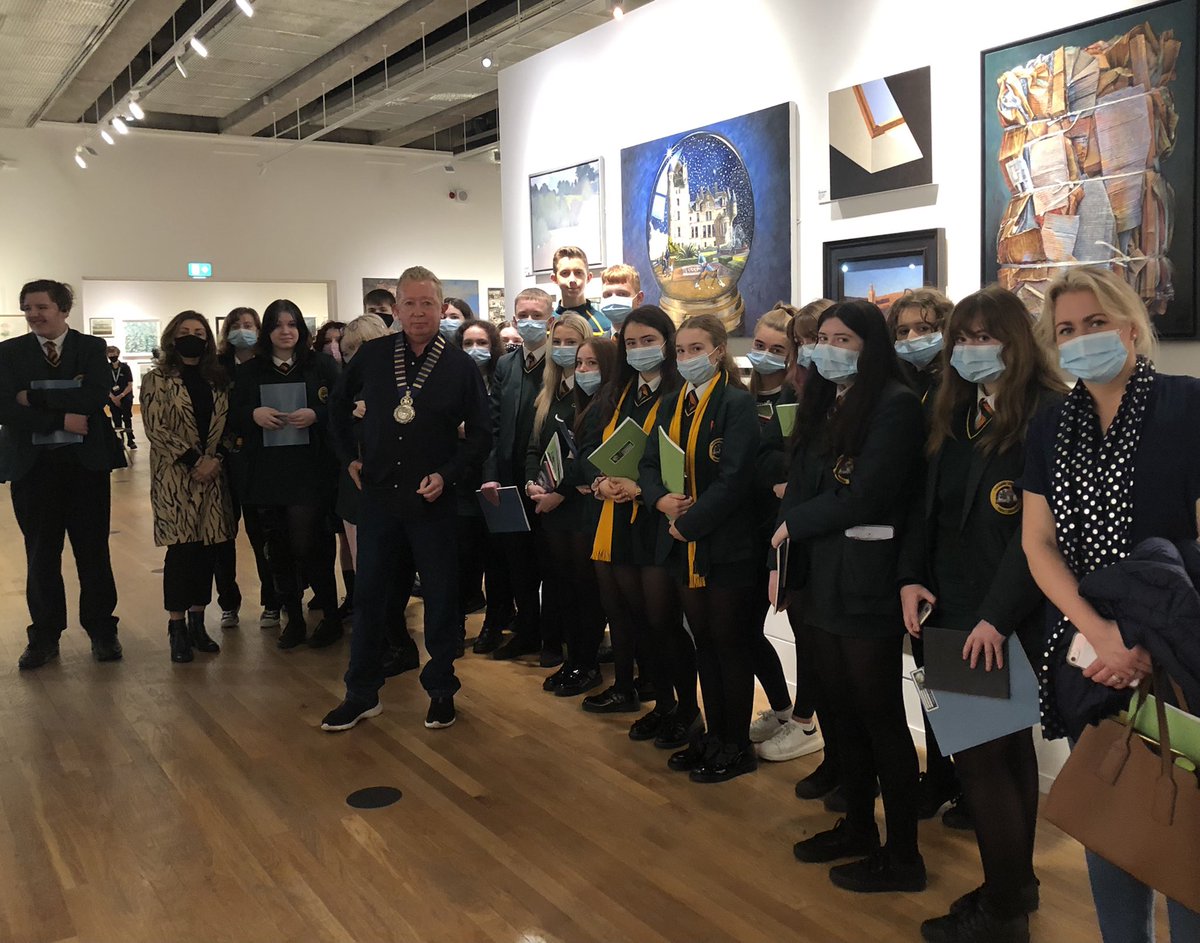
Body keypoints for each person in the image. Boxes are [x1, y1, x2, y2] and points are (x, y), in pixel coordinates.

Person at [1021, 267, 1200, 943]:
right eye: (1065, 330)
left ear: (1130, 325)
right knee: (1111, 816)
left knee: (1187, 834)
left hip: (1180, 647)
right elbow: (1038, 544)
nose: (1081, 338)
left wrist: (1148, 635)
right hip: (1087, 655)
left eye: (1095, 323)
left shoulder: (1186, 405)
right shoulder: (1048, 428)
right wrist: (1099, 634)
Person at [898, 286, 1066, 942]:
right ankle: (1013, 888)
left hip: (1000, 616)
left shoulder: (1046, 414)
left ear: (1017, 339)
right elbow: (927, 508)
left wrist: (993, 619)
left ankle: (1002, 912)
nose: (971, 350)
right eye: (961, 339)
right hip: (950, 604)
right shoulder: (955, 409)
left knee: (988, 761)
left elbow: (1040, 541)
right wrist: (911, 575)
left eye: (983, 335)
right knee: (996, 755)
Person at [776, 300, 927, 893]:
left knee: (880, 716)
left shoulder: (895, 405)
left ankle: (904, 854)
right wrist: (783, 549)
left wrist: (795, 525)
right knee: (840, 708)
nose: (829, 349)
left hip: (865, 584)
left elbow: (867, 497)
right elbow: (802, 488)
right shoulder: (823, 400)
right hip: (820, 577)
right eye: (822, 338)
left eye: (844, 339)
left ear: (870, 346)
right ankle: (859, 824)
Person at [322, 266, 491, 732]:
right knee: (370, 597)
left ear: (442, 309)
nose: (419, 313)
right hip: (378, 499)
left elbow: (480, 436)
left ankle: (440, 689)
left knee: (440, 599)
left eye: (428, 304)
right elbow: (336, 406)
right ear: (396, 310)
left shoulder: (460, 367)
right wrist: (347, 458)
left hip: (431, 501)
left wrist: (449, 475)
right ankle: (361, 692)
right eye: (410, 304)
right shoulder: (373, 356)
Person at [639, 313, 760, 783]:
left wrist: (691, 524)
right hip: (681, 541)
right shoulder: (671, 403)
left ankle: (737, 743)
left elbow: (735, 479)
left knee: (730, 644)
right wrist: (659, 499)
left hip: (724, 545)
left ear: (718, 351)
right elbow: (649, 464)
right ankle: (712, 735)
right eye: (682, 350)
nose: (688, 358)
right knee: (703, 643)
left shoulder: (737, 403)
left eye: (697, 349)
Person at [0, 279, 124, 668]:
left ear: (63, 309)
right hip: (32, 469)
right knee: (40, 555)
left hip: (85, 468)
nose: (34, 315)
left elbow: (94, 396)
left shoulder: (90, 348)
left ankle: (102, 630)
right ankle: (44, 636)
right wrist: (62, 416)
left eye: (42, 307)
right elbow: (5, 409)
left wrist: (33, 395)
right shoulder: (8, 353)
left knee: (93, 551)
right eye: (28, 308)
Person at [582, 306, 693, 735]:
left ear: (667, 343)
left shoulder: (681, 390)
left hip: (659, 520)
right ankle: (662, 704)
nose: (639, 350)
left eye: (649, 341)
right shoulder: (620, 391)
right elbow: (591, 448)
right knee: (638, 620)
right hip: (618, 516)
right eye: (631, 343)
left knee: (665, 621)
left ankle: (687, 708)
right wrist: (600, 482)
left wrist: (643, 489)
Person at [232, 299, 341, 649]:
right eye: (278, 325)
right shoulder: (250, 371)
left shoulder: (321, 365)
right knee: (277, 547)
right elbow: (232, 417)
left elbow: (343, 407)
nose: (285, 331)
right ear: (267, 331)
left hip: (311, 469)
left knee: (312, 544)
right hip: (268, 472)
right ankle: (292, 618)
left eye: (292, 324)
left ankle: (330, 616)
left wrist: (318, 414)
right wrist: (253, 414)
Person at [743, 305, 824, 763]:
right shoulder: (738, 393)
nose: (768, 356)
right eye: (760, 346)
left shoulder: (803, 399)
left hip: (793, 532)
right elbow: (755, 461)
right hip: (749, 528)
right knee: (745, 628)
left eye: (780, 349)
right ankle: (782, 707)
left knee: (804, 630)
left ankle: (805, 720)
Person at [140, 311, 237, 664]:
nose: (192, 337)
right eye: (185, 331)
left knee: (208, 551)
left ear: (208, 339)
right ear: (172, 337)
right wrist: (195, 461)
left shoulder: (219, 379)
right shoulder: (157, 380)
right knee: (181, 553)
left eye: (199, 332)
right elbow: (156, 428)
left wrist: (216, 460)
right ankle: (177, 627)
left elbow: (230, 424)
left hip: (214, 476)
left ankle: (199, 621)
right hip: (176, 478)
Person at [337, 314, 421, 678]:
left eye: (361, 348)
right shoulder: (350, 387)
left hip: (393, 490)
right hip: (357, 487)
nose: (355, 356)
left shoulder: (400, 383)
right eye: (348, 350)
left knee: (392, 574)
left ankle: (399, 644)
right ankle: (383, 643)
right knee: (369, 574)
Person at [525, 313, 604, 688]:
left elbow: (587, 456)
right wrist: (533, 483)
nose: (564, 351)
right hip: (550, 504)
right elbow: (534, 445)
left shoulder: (594, 396)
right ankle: (574, 660)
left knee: (585, 589)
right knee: (562, 587)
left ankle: (586, 663)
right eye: (557, 342)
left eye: (572, 343)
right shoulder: (549, 394)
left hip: (580, 506)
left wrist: (559, 492)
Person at [478, 288, 555, 661]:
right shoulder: (506, 366)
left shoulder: (560, 362)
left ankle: (555, 637)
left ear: (550, 320)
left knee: (551, 563)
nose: (529, 322)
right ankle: (527, 631)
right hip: (508, 480)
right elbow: (493, 425)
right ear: (512, 321)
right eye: (522, 315)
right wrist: (491, 473)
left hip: (548, 481)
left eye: (537, 315)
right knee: (517, 563)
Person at [457, 319, 517, 655]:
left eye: (481, 342)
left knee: (498, 560)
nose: (474, 349)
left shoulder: (502, 378)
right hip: (461, 481)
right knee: (462, 557)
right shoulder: (452, 380)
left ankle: (495, 623)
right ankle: (456, 624)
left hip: (497, 480)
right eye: (467, 343)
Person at [216, 307, 272, 629]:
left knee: (261, 534)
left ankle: (272, 601)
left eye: (248, 325)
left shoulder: (265, 364)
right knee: (223, 537)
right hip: (223, 461)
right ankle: (228, 602)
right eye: (236, 325)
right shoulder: (218, 367)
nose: (242, 330)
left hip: (258, 461)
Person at [889, 288, 953, 405]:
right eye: (904, 331)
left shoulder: (955, 385)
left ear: (945, 330)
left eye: (923, 328)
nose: (911, 337)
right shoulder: (897, 381)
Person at [552, 246, 610, 336]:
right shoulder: (546, 326)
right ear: (554, 278)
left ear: (589, 277)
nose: (572, 280)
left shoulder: (604, 326)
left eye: (578, 273)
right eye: (565, 273)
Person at [597, 264, 645, 337]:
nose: (613, 300)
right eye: (608, 295)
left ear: (639, 298)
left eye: (622, 294)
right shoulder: (598, 345)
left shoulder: (652, 339)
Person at [105, 345, 137, 449]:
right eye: (110, 353)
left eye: (114, 353)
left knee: (127, 418)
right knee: (116, 419)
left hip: (125, 397)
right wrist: (113, 398)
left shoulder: (125, 367)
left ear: (118, 354)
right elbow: (105, 385)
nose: (112, 355)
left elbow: (129, 384)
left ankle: (130, 440)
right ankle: (120, 441)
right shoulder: (106, 368)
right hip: (112, 398)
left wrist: (121, 396)